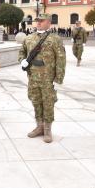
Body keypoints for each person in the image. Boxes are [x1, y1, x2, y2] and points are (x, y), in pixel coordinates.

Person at [18, 13, 66, 143]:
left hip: (48, 78)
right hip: (33, 77)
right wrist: (22, 60)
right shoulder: (29, 38)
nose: (38, 23)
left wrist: (58, 78)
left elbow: (61, 59)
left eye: (41, 21)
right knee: (36, 101)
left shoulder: (55, 39)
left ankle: (47, 129)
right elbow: (22, 51)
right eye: (37, 21)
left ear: (49, 23)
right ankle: (39, 126)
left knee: (48, 103)